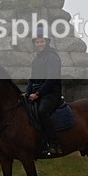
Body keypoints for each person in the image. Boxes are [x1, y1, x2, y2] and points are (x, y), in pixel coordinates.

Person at [25, 27, 63, 156]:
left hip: (51, 93)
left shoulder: (52, 57)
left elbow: (51, 79)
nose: (39, 44)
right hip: (38, 93)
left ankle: (53, 144)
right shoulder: (37, 59)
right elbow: (32, 79)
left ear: (47, 42)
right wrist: (27, 93)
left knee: (42, 111)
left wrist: (38, 94)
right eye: (37, 42)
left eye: (41, 42)